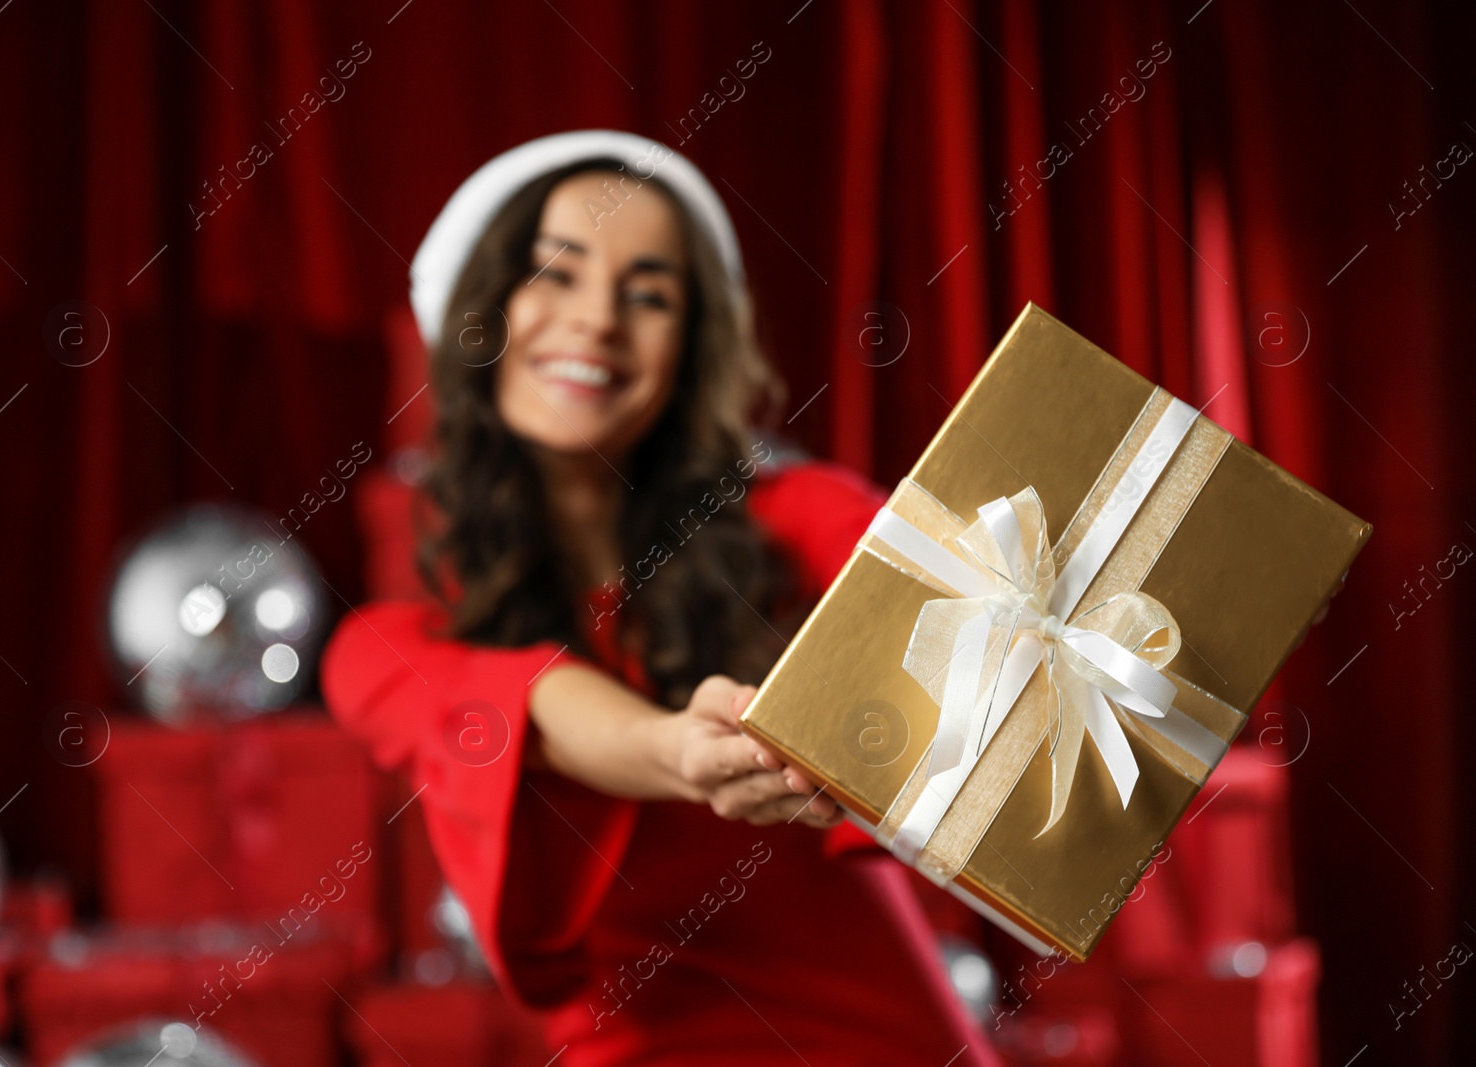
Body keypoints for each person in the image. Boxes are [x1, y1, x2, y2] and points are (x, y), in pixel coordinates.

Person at [320, 129, 1000, 1066]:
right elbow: (532, 698)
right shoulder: (386, 646)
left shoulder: (784, 517)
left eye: (648, 293)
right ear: (481, 314)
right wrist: (677, 749)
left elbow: (927, 567)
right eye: (555, 275)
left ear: (689, 347)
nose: (598, 319)